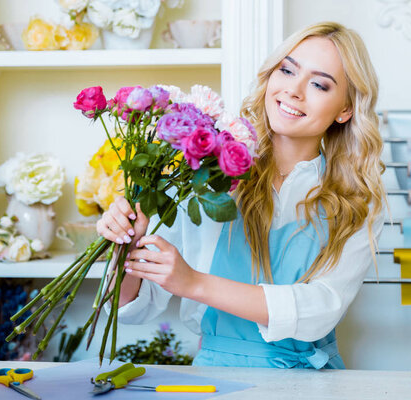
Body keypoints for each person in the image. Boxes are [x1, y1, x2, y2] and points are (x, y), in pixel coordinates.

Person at [97, 21, 386, 369]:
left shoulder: (358, 197)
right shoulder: (204, 174)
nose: (294, 90)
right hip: (215, 377)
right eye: (287, 70)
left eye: (319, 84)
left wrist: (194, 283)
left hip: (313, 383)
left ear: (345, 109)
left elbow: (321, 307)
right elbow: (131, 306)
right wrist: (125, 246)